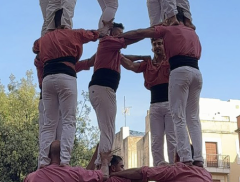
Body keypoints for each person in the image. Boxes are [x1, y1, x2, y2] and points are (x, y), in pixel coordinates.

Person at [121, 23, 202, 163]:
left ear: (165, 45)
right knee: (156, 140)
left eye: (160, 43)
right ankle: (159, 167)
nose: (158, 46)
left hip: (171, 102)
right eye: (155, 44)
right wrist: (122, 54)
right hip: (154, 105)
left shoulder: (171, 61)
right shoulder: (148, 64)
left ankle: (174, 164)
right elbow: (130, 65)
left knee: (172, 138)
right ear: (152, 47)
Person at [75, 22, 141, 169]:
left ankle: (99, 162)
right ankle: (102, 165)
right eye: (117, 34)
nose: (119, 37)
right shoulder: (106, 43)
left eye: (120, 35)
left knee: (106, 128)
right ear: (110, 34)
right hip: (103, 88)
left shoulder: (113, 52)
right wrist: (151, 32)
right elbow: (131, 41)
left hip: (101, 89)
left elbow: (126, 59)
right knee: (108, 129)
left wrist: (145, 57)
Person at [34, 27, 100, 166]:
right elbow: (93, 35)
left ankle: (43, 161)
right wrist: (102, 31)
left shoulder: (44, 39)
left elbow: (35, 48)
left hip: (48, 78)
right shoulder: (74, 33)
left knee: (49, 123)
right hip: (66, 76)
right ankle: (64, 160)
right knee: (68, 120)